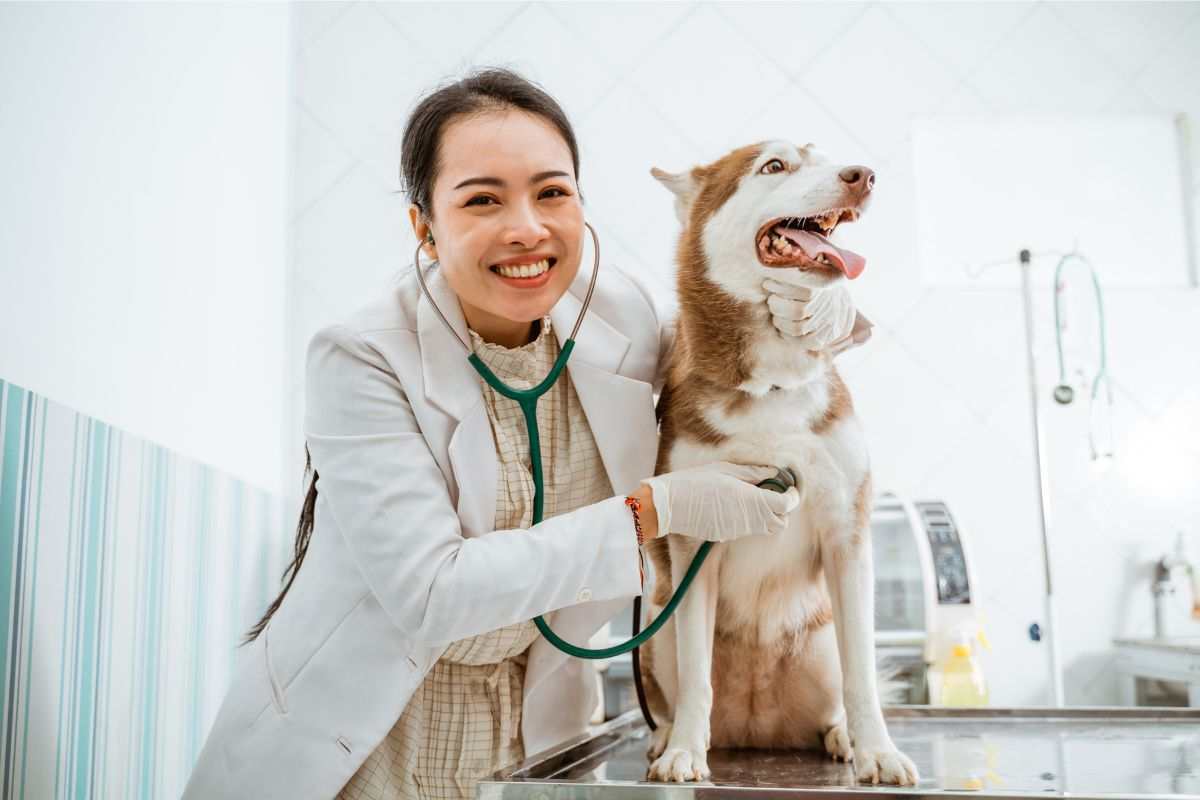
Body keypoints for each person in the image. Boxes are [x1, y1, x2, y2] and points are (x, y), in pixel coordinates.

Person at [181, 67, 868, 800]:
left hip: (536, 743)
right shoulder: (360, 358)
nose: (527, 228)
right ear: (425, 226)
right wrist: (651, 511)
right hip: (369, 743)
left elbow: (732, 348)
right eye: (482, 200)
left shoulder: (618, 318)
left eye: (552, 193)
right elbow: (432, 595)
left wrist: (836, 313)